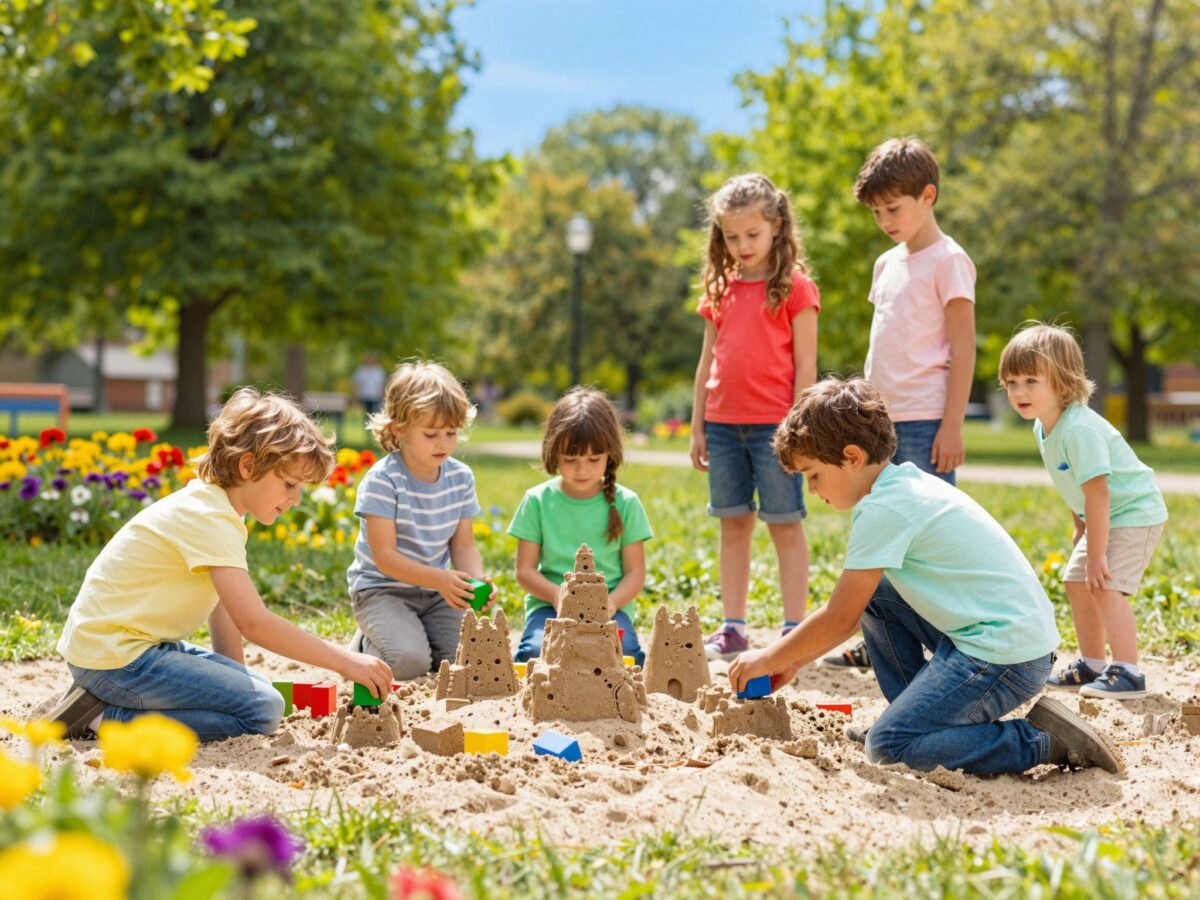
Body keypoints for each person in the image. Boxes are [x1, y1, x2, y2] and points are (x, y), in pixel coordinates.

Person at [729, 377, 1123, 776]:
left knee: (889, 746)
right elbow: (856, 608)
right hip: (999, 641)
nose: (812, 490)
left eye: (813, 475)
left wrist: (770, 656)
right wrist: (795, 662)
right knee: (877, 595)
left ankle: (1042, 740)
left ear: (851, 457)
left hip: (1005, 658)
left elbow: (839, 617)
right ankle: (912, 716)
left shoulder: (884, 509)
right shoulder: (903, 484)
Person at [50, 388, 393, 741]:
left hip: (116, 650)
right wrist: (345, 661)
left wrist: (236, 682)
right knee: (263, 710)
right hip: (117, 660)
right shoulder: (211, 518)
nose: (295, 498)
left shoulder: (214, 508)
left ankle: (98, 703)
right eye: (290, 483)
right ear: (248, 466)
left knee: (256, 691)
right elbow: (254, 622)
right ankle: (103, 718)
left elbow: (224, 609)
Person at [827, 136, 977, 671]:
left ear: (928, 195)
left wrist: (953, 423)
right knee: (880, 526)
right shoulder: (885, 263)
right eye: (876, 212)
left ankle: (951, 642)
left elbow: (964, 347)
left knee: (926, 538)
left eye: (894, 208)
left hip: (928, 418)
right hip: (879, 424)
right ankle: (884, 636)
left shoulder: (950, 260)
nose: (885, 220)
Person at [688, 173, 820, 661]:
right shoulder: (720, 290)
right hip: (722, 428)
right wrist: (698, 425)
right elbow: (707, 362)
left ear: (777, 227)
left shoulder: (796, 288)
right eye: (731, 236)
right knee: (733, 525)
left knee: (785, 524)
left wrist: (799, 429)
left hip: (776, 429)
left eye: (752, 235)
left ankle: (793, 627)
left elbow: (805, 365)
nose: (742, 245)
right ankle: (734, 627)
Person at [1000, 324, 1167, 699]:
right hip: (1103, 515)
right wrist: (1079, 527)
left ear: (1062, 381)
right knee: (1076, 582)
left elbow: (1099, 492)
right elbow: (1074, 483)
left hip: (1133, 513)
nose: (1019, 391)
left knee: (1103, 583)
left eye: (1031, 380)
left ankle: (1128, 672)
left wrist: (1095, 554)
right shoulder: (1045, 428)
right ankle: (1092, 663)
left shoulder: (1079, 429)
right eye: (1011, 382)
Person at [347, 361, 494, 680]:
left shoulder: (460, 477)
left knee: (470, 659)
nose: (442, 443)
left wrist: (476, 582)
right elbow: (385, 557)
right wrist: (440, 579)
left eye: (451, 432)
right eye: (430, 434)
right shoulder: (384, 481)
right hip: (382, 591)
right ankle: (363, 645)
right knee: (408, 663)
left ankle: (411, 633)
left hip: (435, 595)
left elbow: (464, 545)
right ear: (398, 428)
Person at [509, 387, 652, 665]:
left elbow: (635, 573)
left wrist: (610, 603)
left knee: (629, 656)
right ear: (553, 453)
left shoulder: (626, 503)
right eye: (570, 460)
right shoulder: (537, 501)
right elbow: (524, 570)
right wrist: (556, 595)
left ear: (610, 453)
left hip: (610, 609)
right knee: (531, 655)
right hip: (549, 608)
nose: (582, 469)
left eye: (593, 459)